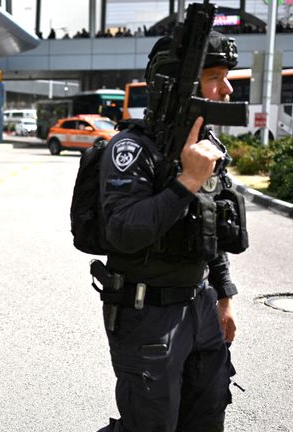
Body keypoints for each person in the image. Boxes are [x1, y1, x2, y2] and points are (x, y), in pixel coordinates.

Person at [96, 31, 243, 432]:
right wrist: (186, 182)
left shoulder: (205, 145)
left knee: (207, 417)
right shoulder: (133, 148)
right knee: (151, 424)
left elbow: (209, 224)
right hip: (148, 315)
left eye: (227, 75)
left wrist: (225, 294)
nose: (227, 87)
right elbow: (123, 230)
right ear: (177, 84)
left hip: (201, 306)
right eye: (215, 76)